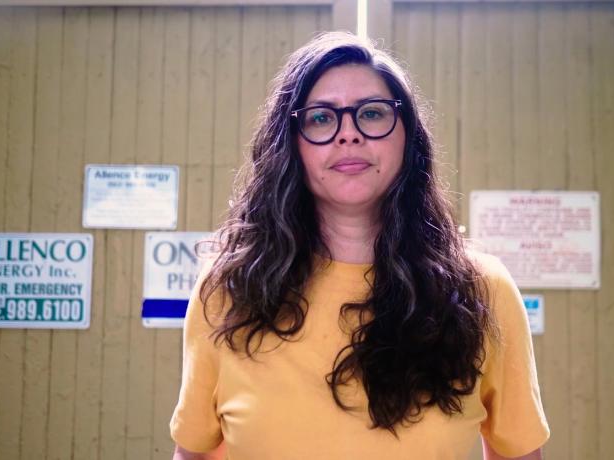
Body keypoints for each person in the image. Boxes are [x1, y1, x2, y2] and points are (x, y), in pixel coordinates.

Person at [170, 31, 548, 460]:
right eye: (320, 118)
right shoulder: (228, 289)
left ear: (408, 137)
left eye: (371, 113)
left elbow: (516, 454)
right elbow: (197, 453)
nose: (348, 134)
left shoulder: (482, 290)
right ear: (290, 144)